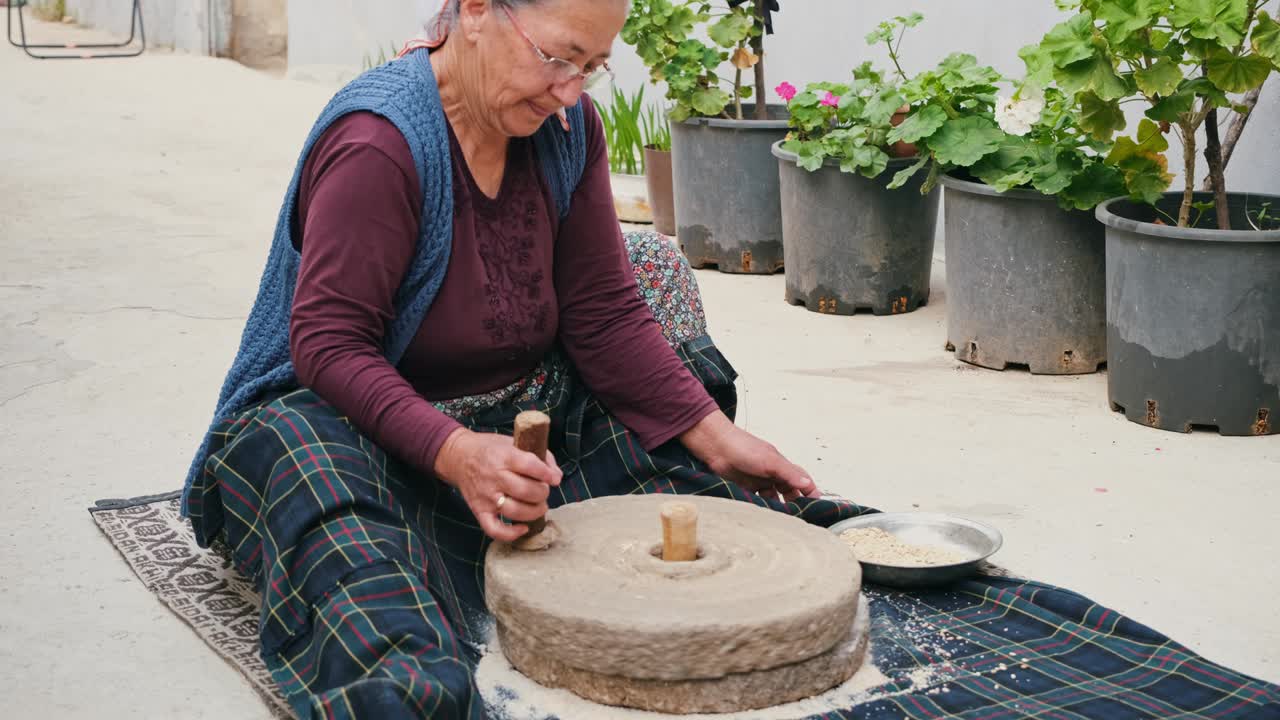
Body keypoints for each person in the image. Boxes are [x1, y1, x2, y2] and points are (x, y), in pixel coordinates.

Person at [181, 0, 867, 717]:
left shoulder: (565, 129)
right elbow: (326, 344)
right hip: (352, 423)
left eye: (592, 68)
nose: (570, 90)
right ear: (477, 11)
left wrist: (716, 437)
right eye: (558, 58)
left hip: (507, 417)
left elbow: (603, 313)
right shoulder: (379, 142)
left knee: (699, 484)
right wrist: (455, 455)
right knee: (337, 524)